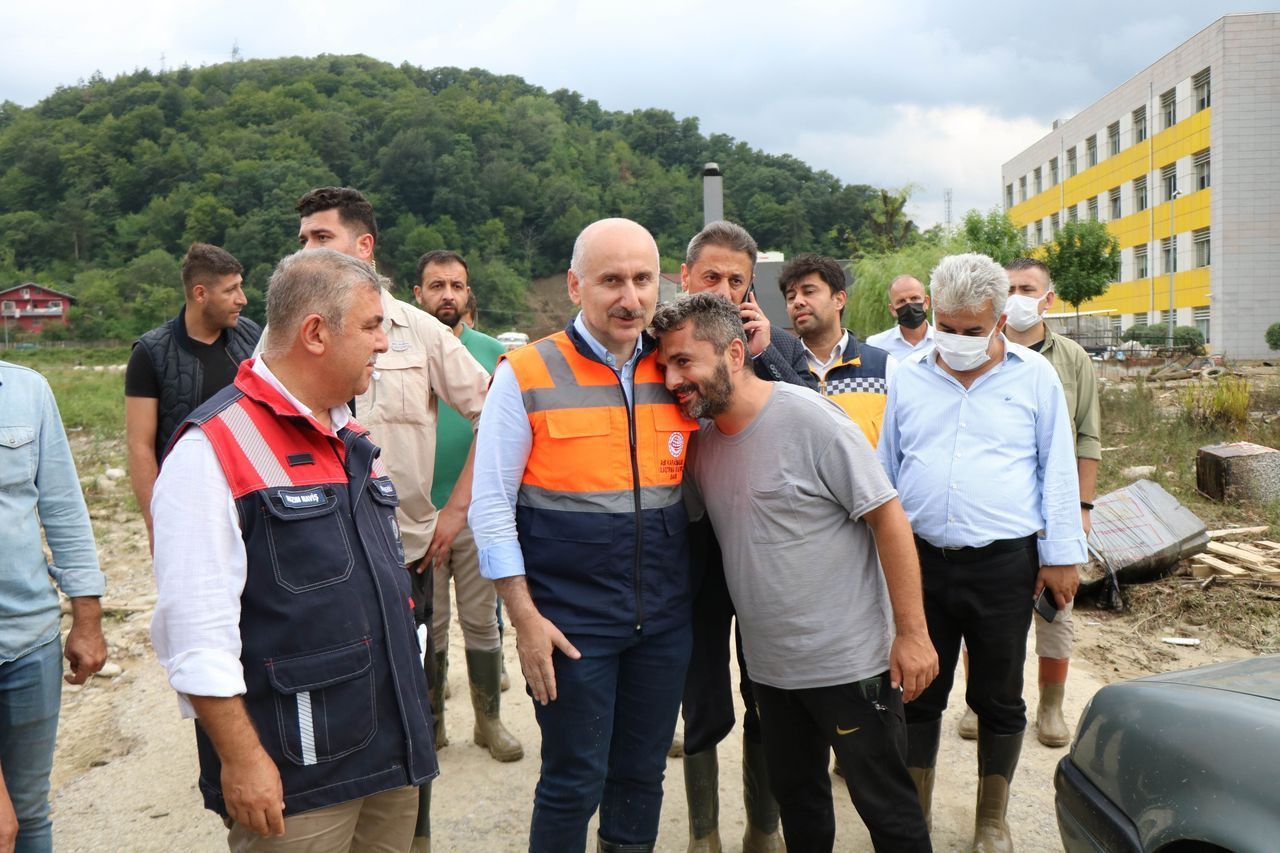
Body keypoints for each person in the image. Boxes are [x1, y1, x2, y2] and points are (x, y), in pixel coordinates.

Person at [150, 249, 437, 850]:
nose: (384, 343)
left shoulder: (351, 437)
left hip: (391, 753)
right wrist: (242, 761)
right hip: (297, 779)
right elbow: (196, 635)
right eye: (371, 326)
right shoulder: (212, 449)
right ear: (314, 333)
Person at [652, 293, 936, 851]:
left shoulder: (809, 418)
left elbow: (889, 518)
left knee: (889, 812)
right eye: (665, 364)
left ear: (735, 353)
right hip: (772, 675)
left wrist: (912, 632)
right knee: (801, 811)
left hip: (852, 667)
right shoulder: (702, 448)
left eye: (684, 361)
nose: (671, 378)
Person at [470, 218, 698, 853]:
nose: (630, 297)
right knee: (573, 780)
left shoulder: (679, 370)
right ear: (575, 286)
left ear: (663, 284)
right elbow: (490, 509)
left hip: (663, 619)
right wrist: (524, 619)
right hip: (569, 625)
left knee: (640, 776)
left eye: (644, 279)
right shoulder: (525, 374)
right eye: (611, 280)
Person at [293, 186, 490, 853]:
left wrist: (457, 507)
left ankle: (415, 836)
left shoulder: (419, 331)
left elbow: (497, 415)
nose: (307, 250)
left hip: (405, 553)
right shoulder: (289, 336)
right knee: (326, 699)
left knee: (412, 701)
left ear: (363, 245)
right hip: (315, 563)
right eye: (303, 240)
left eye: (321, 238)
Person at [878, 253, 1086, 852]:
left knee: (997, 693)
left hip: (1003, 563)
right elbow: (887, 467)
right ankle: (912, 811)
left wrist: (1061, 555)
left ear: (999, 321)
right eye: (948, 327)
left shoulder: (1034, 377)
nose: (958, 341)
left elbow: (1057, 469)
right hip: (920, 561)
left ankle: (991, 819)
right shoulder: (909, 372)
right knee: (915, 688)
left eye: (973, 330)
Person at [677, 221, 817, 852]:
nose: (726, 290)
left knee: (769, 693)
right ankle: (704, 833)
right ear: (685, 278)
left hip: (767, 546)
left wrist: (756, 354)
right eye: (712, 277)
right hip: (694, 546)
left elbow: (814, 422)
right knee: (703, 693)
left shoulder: (779, 346)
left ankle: (763, 829)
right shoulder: (665, 346)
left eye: (738, 280)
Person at [955, 257, 1098, 748]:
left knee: (1055, 609)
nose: (1017, 295)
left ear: (1047, 298)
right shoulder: (975, 352)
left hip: (1055, 509)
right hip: (1001, 513)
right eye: (1010, 287)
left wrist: (1080, 511)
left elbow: (1087, 440)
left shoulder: (1072, 359)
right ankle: (980, 700)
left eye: (1027, 287)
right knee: (983, 612)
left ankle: (1051, 706)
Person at [412, 249, 521, 763]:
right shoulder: (398, 349)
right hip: (415, 516)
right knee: (427, 627)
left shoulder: (493, 352)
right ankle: (430, 726)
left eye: (456, 285)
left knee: (481, 620)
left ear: (468, 293)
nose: (447, 295)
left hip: (477, 514)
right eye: (437, 286)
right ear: (418, 294)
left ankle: (488, 722)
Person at [0, 360, 107, 851]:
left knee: (29, 812)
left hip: (29, 643)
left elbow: (63, 508)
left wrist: (87, 618)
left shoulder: (27, 391)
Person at [125, 243, 260, 546]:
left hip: (253, 499)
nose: (243, 299)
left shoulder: (252, 335)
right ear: (201, 294)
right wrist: (154, 523)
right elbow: (140, 446)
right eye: (231, 290)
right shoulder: (151, 353)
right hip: (188, 506)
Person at [781, 252, 895, 446]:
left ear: (839, 300)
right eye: (791, 297)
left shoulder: (884, 367)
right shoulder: (781, 370)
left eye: (809, 292)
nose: (798, 302)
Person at [866, 274, 934, 360]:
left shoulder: (943, 342)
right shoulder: (875, 346)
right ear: (893, 310)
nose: (909, 305)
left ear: (927, 302)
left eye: (914, 298)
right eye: (901, 301)